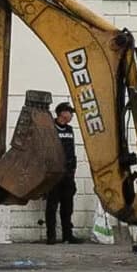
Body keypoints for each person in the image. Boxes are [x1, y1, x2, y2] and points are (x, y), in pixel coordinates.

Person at [46, 102, 84, 245]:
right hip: (54, 173)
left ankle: (67, 235)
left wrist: (73, 169)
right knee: (52, 205)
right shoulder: (50, 128)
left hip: (68, 174)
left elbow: (71, 151)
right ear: (62, 113)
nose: (72, 115)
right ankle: (51, 236)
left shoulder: (69, 129)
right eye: (70, 112)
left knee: (67, 206)